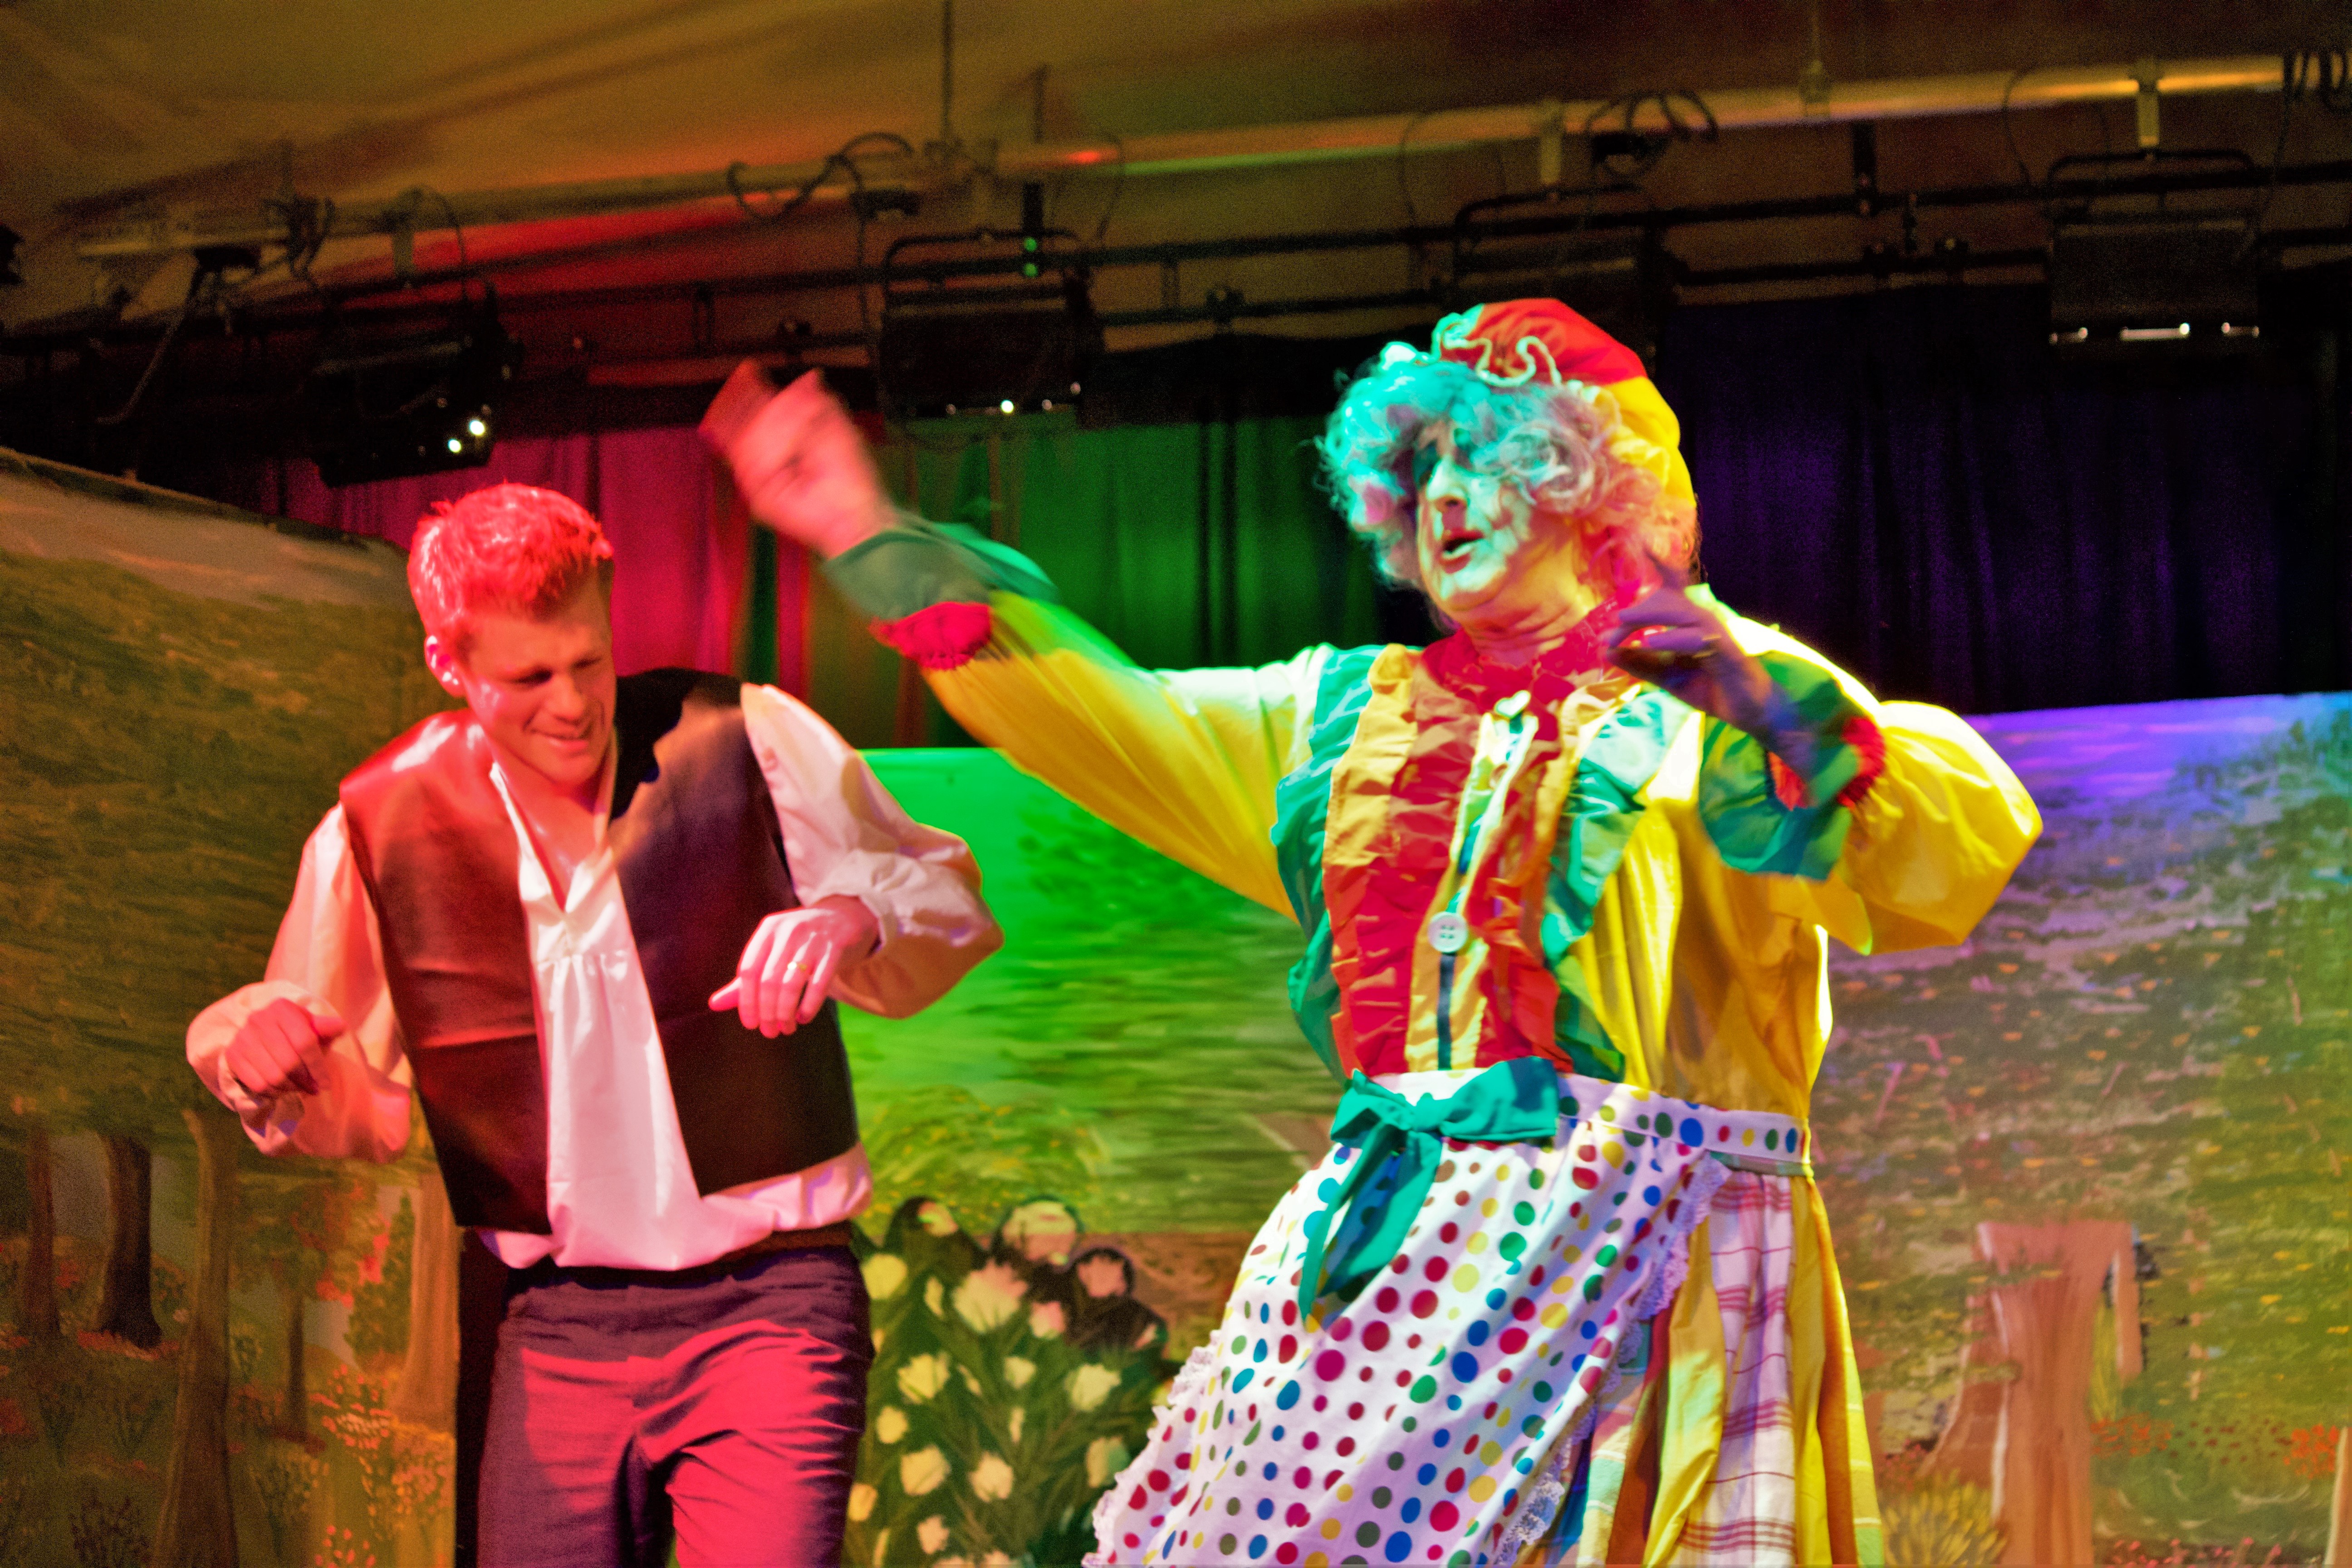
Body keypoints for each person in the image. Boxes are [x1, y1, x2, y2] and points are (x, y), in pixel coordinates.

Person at [703, 300, 2039, 1568]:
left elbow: (1955, 845)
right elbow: (1116, 717)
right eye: (1423, 465)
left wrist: (1773, 708)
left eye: (1486, 457)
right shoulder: (1345, 719)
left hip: (1654, 1279)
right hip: (1410, 1265)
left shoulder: (1711, 693)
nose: (1444, 495)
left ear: (1586, 482)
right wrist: (866, 530)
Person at [185, 483, 1001, 1568]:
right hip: (555, 1325)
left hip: (769, 1306)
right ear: (449, 666)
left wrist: (853, 916)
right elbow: (334, 1087)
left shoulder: (746, 738)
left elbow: (944, 890)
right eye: (529, 678)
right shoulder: (381, 824)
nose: (572, 705)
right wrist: (257, 1057)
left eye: (589, 662)